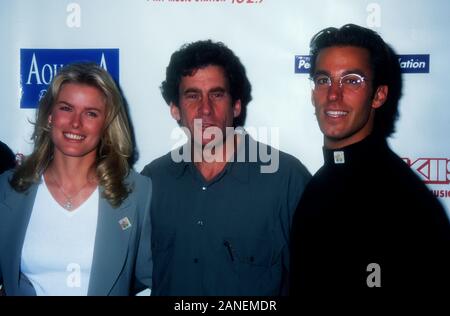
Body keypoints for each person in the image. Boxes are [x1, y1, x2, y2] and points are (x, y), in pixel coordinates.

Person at [141, 40, 311, 296]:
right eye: (192, 95)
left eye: (217, 94)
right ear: (175, 109)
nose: (205, 109)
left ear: (236, 106)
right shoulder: (152, 181)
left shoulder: (286, 178)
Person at [290, 24, 450, 292]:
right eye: (323, 80)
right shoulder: (320, 182)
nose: (333, 95)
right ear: (312, 92)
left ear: (378, 95)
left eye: (352, 81)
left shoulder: (403, 200)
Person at [0, 62, 152, 295]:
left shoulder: (138, 192)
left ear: (107, 124)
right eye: (66, 108)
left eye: (91, 113)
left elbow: (148, 274)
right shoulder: (7, 189)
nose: (76, 123)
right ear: (50, 115)